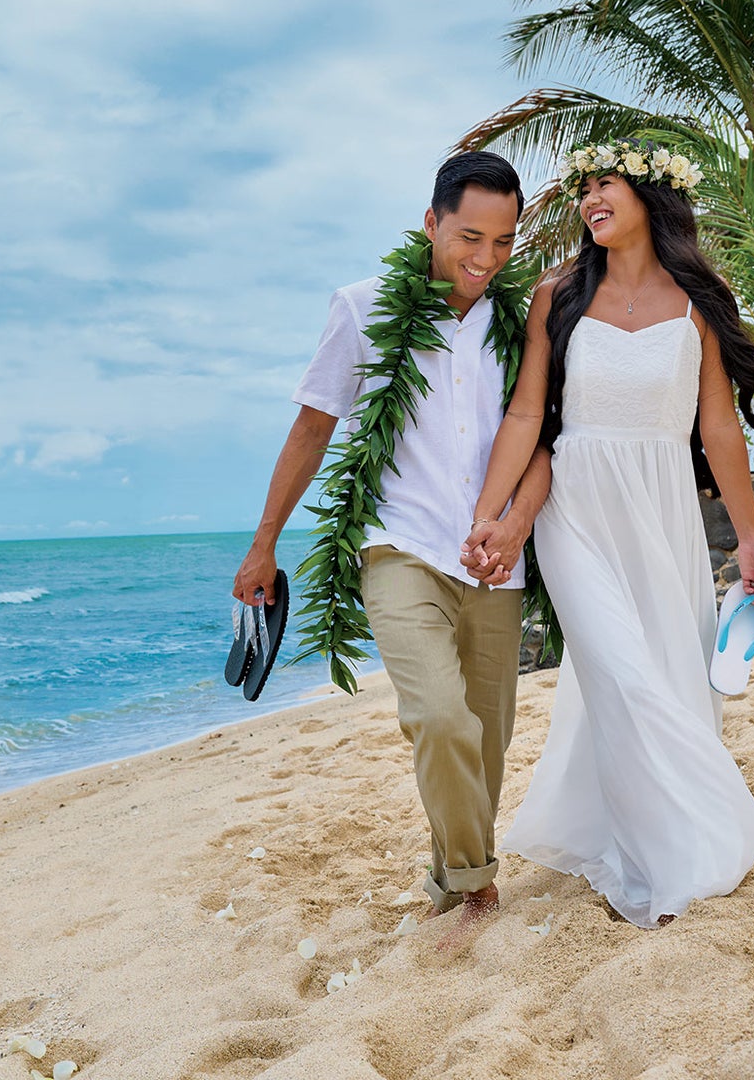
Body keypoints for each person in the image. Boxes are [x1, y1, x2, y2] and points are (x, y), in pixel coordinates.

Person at [461, 138, 754, 928]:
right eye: (583, 187)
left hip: (661, 510)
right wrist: (490, 512)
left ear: (652, 194)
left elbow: (718, 426)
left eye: (604, 182)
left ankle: (655, 836)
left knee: (662, 673)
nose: (589, 198)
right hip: (576, 507)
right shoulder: (560, 293)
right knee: (619, 671)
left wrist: (751, 540)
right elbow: (525, 413)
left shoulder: (697, 299)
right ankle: (667, 855)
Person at [233, 151, 551, 929]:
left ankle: (448, 879)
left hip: (495, 559)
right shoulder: (363, 306)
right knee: (439, 718)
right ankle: (478, 888)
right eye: (469, 236)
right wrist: (263, 542)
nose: (484, 259)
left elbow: (545, 432)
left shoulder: (527, 322)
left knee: (486, 742)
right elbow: (312, 427)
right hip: (399, 545)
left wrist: (513, 526)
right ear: (431, 222)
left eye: (504, 242)